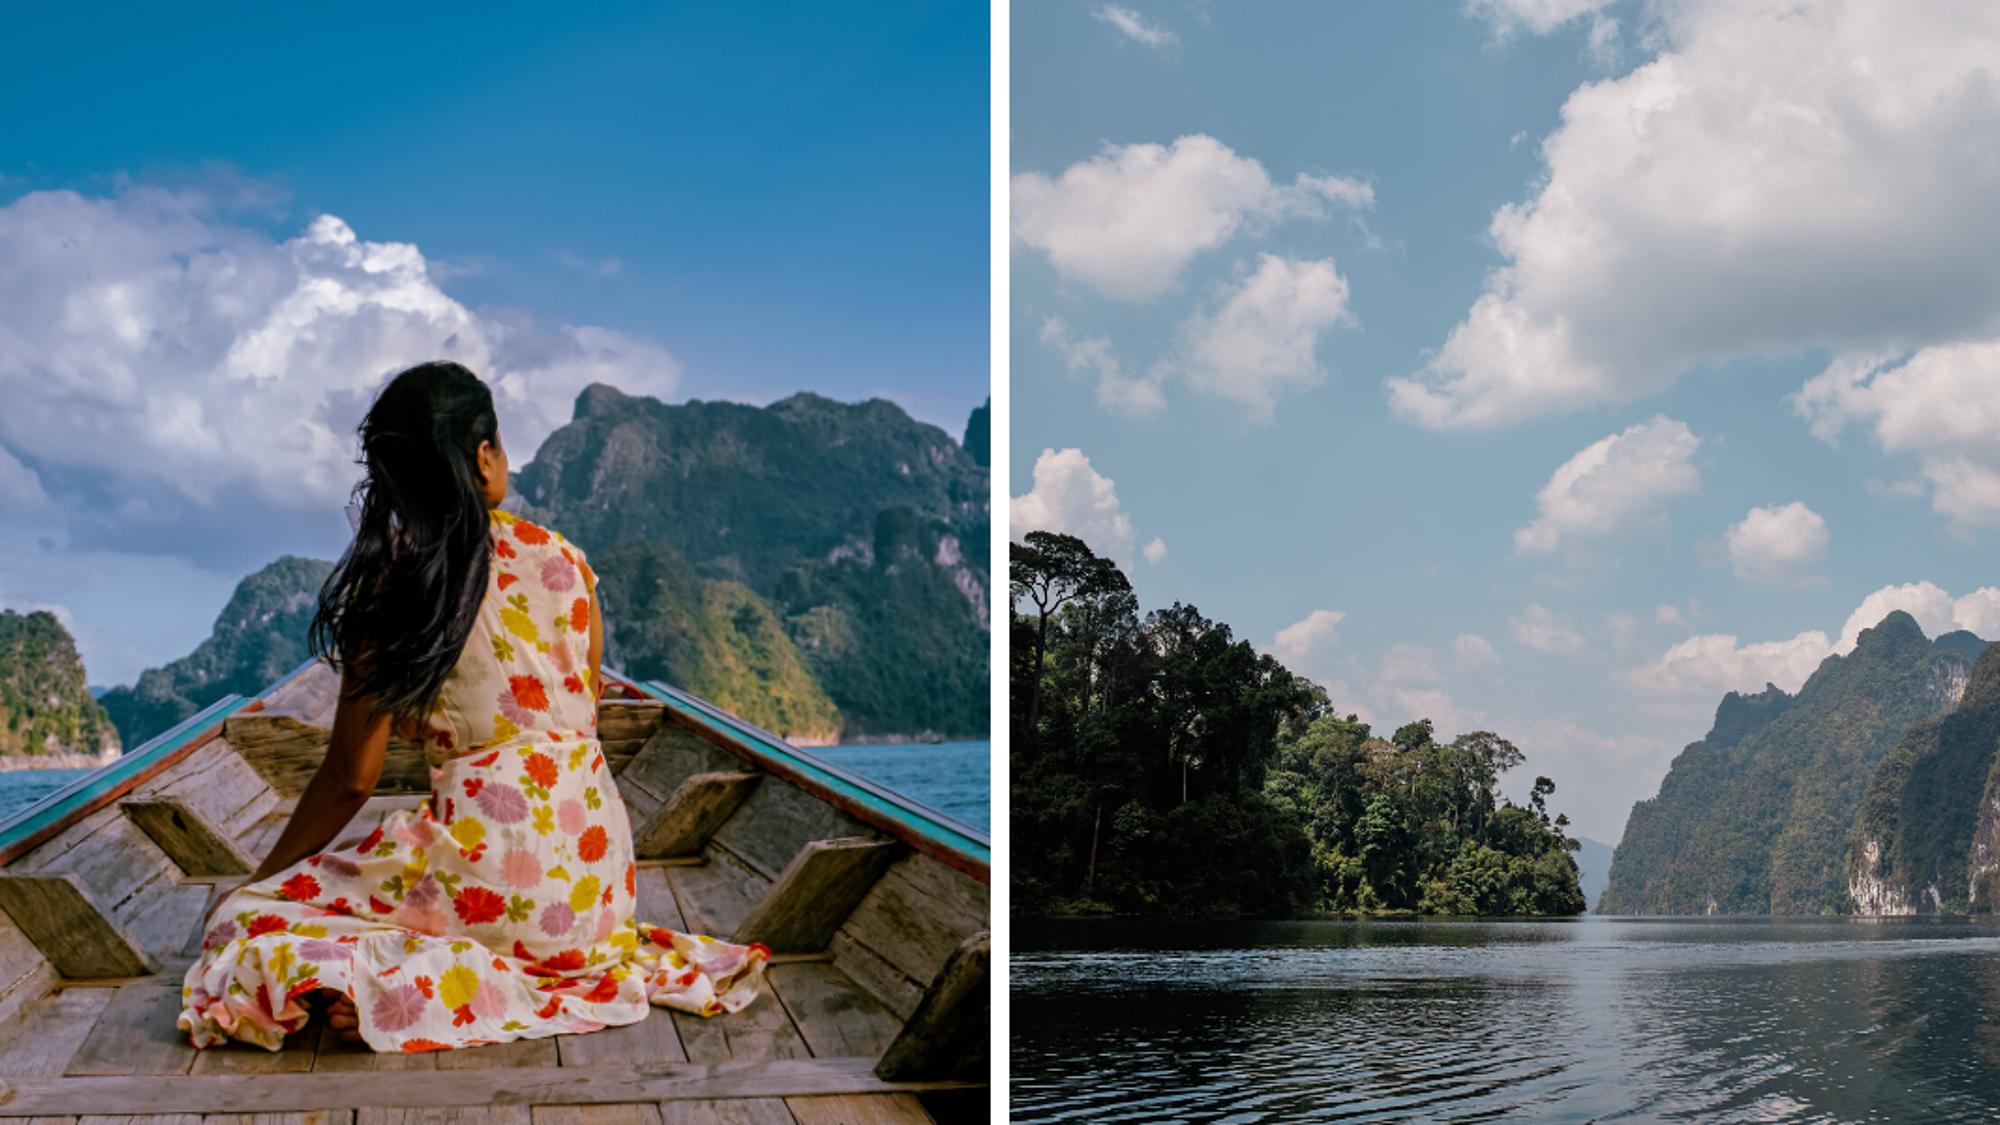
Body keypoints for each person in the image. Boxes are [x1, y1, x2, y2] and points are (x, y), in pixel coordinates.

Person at [179, 361, 768, 1053]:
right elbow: (580, 719)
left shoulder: (391, 585)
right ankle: (445, 970)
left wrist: (262, 881)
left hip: (493, 867)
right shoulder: (567, 562)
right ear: (485, 457)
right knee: (418, 865)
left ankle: (414, 980)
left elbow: (350, 780)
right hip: (601, 889)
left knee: (245, 923)